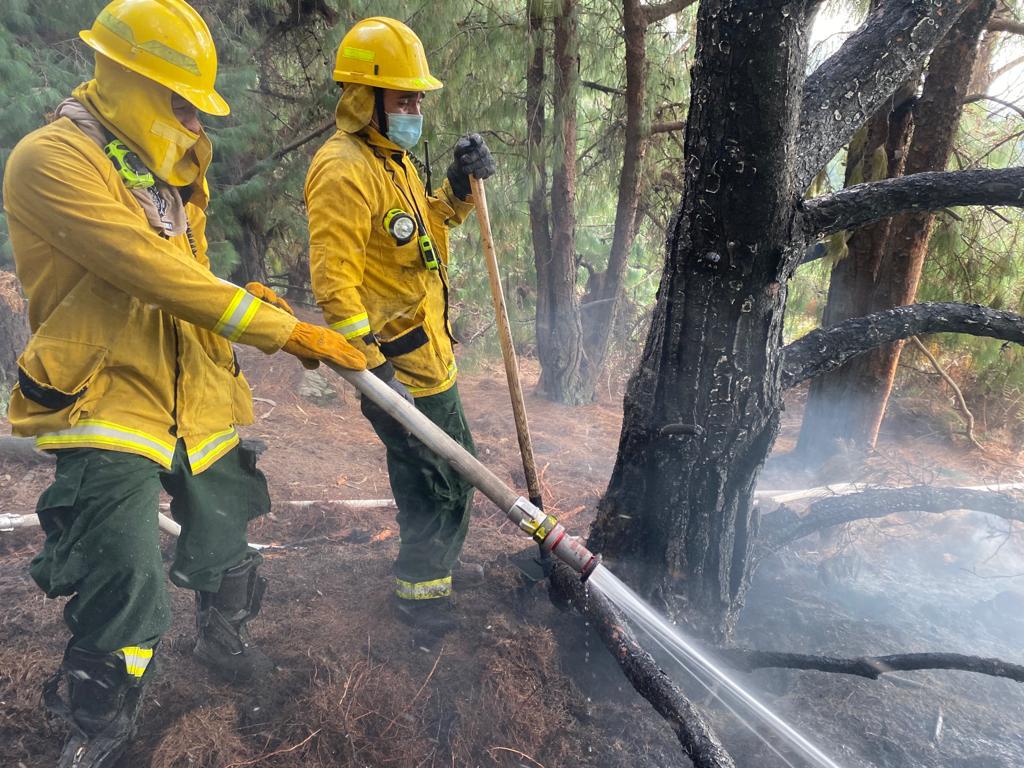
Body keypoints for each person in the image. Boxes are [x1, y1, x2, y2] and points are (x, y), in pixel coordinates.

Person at [2, 1, 365, 765]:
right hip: (106, 395)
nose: (197, 123)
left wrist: (243, 298)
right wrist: (281, 329)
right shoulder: (51, 159)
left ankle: (223, 637)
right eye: (184, 104)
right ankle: (102, 721)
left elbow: (184, 276)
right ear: (130, 81)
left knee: (227, 533)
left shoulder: (166, 169)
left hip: (196, 387)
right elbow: (140, 267)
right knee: (126, 571)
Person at [306, 17, 496, 635]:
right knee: (434, 482)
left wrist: (459, 188)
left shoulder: (397, 162)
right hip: (396, 367)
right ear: (366, 100)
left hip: (430, 358)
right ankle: (421, 603)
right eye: (403, 97)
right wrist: (374, 368)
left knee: (450, 472)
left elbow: (427, 233)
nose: (416, 107)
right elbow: (334, 283)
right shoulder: (343, 168)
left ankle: (430, 578)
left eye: (419, 97)